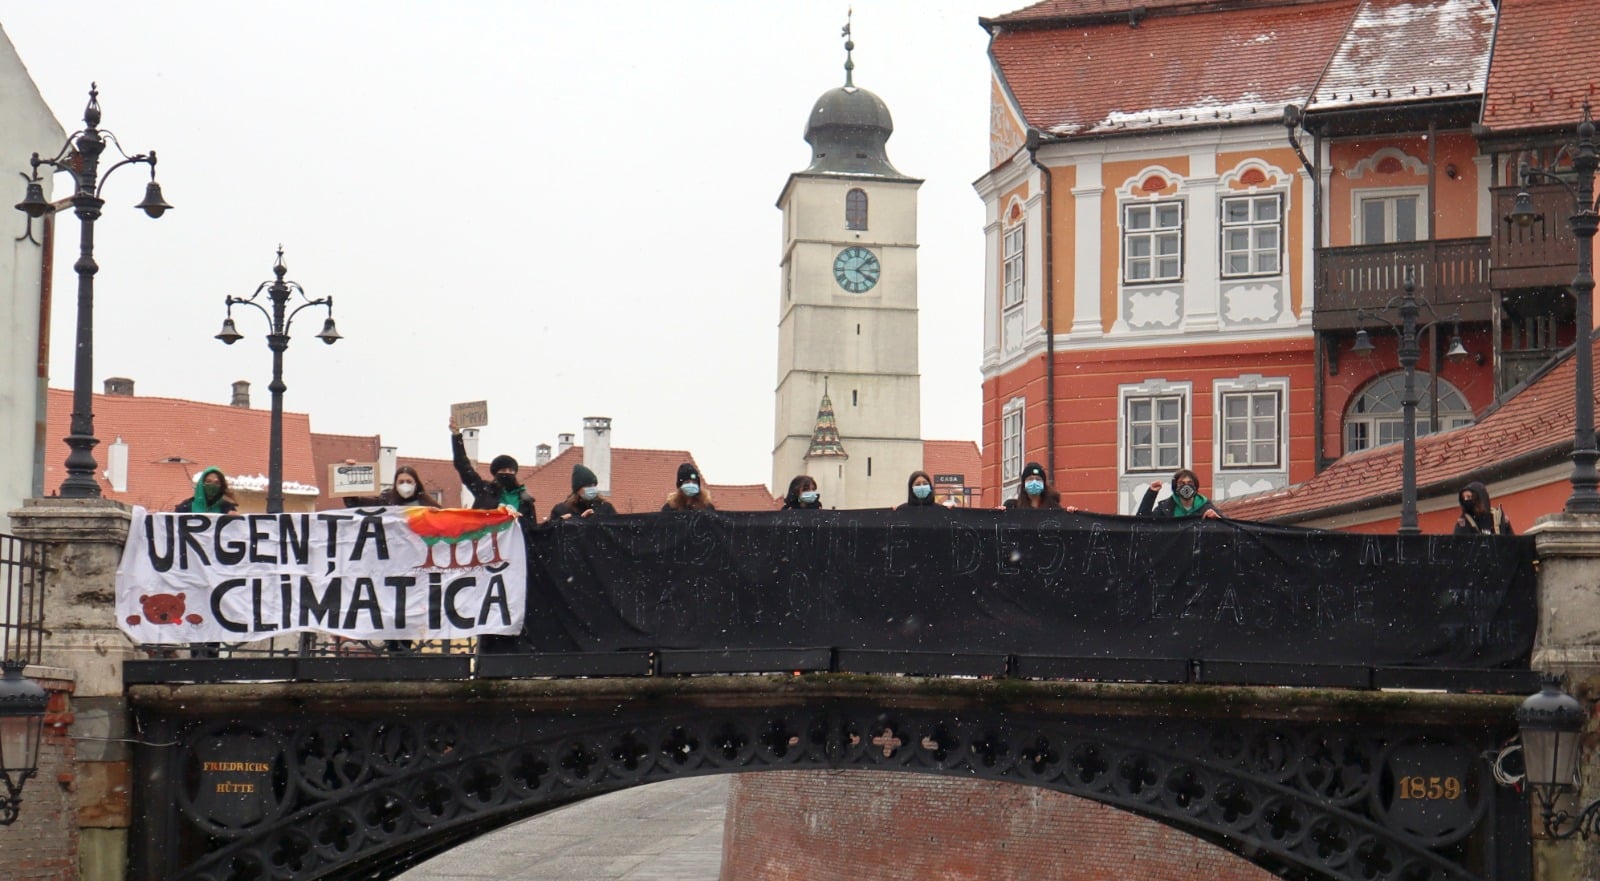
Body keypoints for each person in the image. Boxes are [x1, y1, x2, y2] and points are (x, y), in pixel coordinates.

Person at [449, 417, 536, 519]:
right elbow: (463, 466)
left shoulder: (525, 500)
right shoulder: (485, 490)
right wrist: (456, 435)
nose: (508, 474)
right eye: (503, 470)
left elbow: (533, 530)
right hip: (486, 534)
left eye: (511, 471)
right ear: (496, 473)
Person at [342, 464, 441, 509]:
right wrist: (350, 469)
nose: (405, 485)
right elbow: (354, 504)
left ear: (416, 484)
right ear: (395, 484)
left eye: (409, 481)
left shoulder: (430, 506)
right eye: (401, 482)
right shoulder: (385, 501)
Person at [1137, 468, 1220, 519]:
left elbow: (1228, 526)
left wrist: (1217, 519)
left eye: (1190, 483)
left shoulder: (1206, 507)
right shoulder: (1165, 508)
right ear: (1175, 487)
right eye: (1181, 483)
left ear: (1195, 486)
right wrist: (1151, 493)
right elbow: (1142, 522)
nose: (1186, 487)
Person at [551, 464, 618, 519]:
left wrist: (596, 519)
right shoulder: (562, 510)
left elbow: (617, 531)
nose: (592, 489)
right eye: (588, 486)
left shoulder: (606, 508)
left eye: (594, 485)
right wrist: (560, 523)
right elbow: (547, 531)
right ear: (578, 490)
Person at [1004, 461, 1076, 511]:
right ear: (1024, 484)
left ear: (1043, 484)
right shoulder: (1012, 506)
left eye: (1038, 479)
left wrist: (1071, 515)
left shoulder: (1054, 508)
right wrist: (998, 513)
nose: (1034, 482)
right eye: (1030, 479)